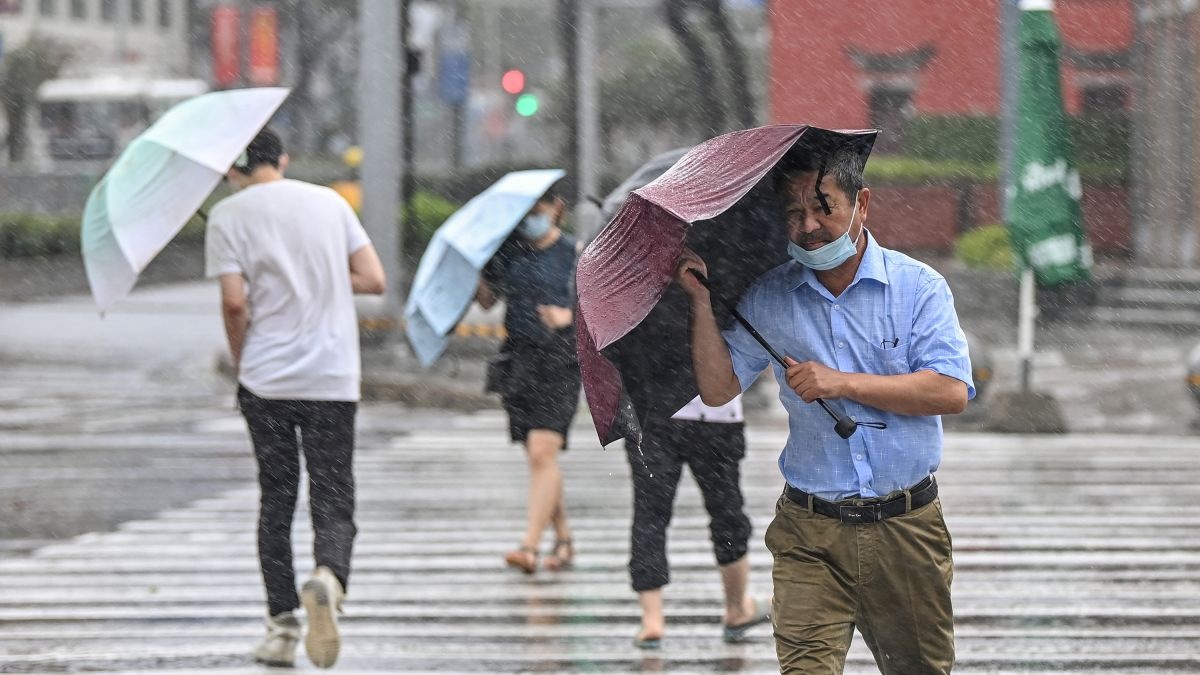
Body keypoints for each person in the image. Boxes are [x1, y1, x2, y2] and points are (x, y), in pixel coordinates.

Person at [675, 141, 973, 674]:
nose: (808, 224)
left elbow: (949, 390)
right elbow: (719, 391)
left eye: (822, 207)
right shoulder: (769, 298)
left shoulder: (918, 288)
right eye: (793, 213)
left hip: (906, 529)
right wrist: (701, 305)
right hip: (809, 531)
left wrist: (843, 383)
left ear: (862, 204)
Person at [204, 128, 386, 669]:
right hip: (331, 375)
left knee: (276, 499)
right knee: (334, 494)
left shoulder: (228, 217)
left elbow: (235, 305)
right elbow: (373, 278)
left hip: (266, 379)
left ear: (235, 170)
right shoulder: (328, 202)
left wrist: (242, 360)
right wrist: (321, 277)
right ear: (282, 159)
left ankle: (282, 627)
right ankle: (330, 575)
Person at [476, 192, 580, 574]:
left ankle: (529, 546)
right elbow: (487, 301)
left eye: (540, 210)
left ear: (557, 208)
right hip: (517, 359)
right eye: (527, 212)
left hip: (562, 358)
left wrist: (568, 316)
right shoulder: (508, 252)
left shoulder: (576, 253)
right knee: (539, 459)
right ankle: (564, 537)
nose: (533, 218)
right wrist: (477, 266)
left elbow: (597, 307)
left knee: (542, 453)